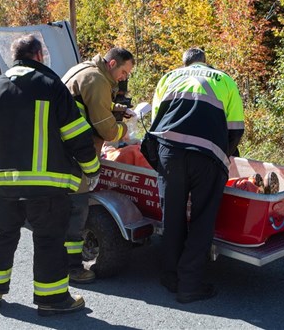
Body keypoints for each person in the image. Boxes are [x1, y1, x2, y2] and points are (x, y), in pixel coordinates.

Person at [0, 34, 101, 316]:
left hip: (3, 183)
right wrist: (91, 170)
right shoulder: (51, 86)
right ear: (39, 55)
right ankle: (52, 299)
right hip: (46, 184)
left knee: (1, 234)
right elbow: (76, 134)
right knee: (49, 238)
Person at [150, 47, 244, 303]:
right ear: (205, 62)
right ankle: (190, 284)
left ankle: (170, 276)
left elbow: (156, 123)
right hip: (207, 155)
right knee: (202, 218)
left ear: (184, 63)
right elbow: (235, 129)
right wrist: (224, 158)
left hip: (169, 153)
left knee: (172, 216)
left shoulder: (168, 77)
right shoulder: (224, 79)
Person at [61, 47, 135, 284]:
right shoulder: (97, 80)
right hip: (76, 153)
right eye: (124, 71)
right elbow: (106, 129)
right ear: (112, 64)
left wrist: (119, 110)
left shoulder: (85, 70)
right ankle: (72, 267)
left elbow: (90, 104)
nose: (124, 77)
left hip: (62, 148)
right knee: (77, 208)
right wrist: (125, 129)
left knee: (62, 206)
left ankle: (60, 260)